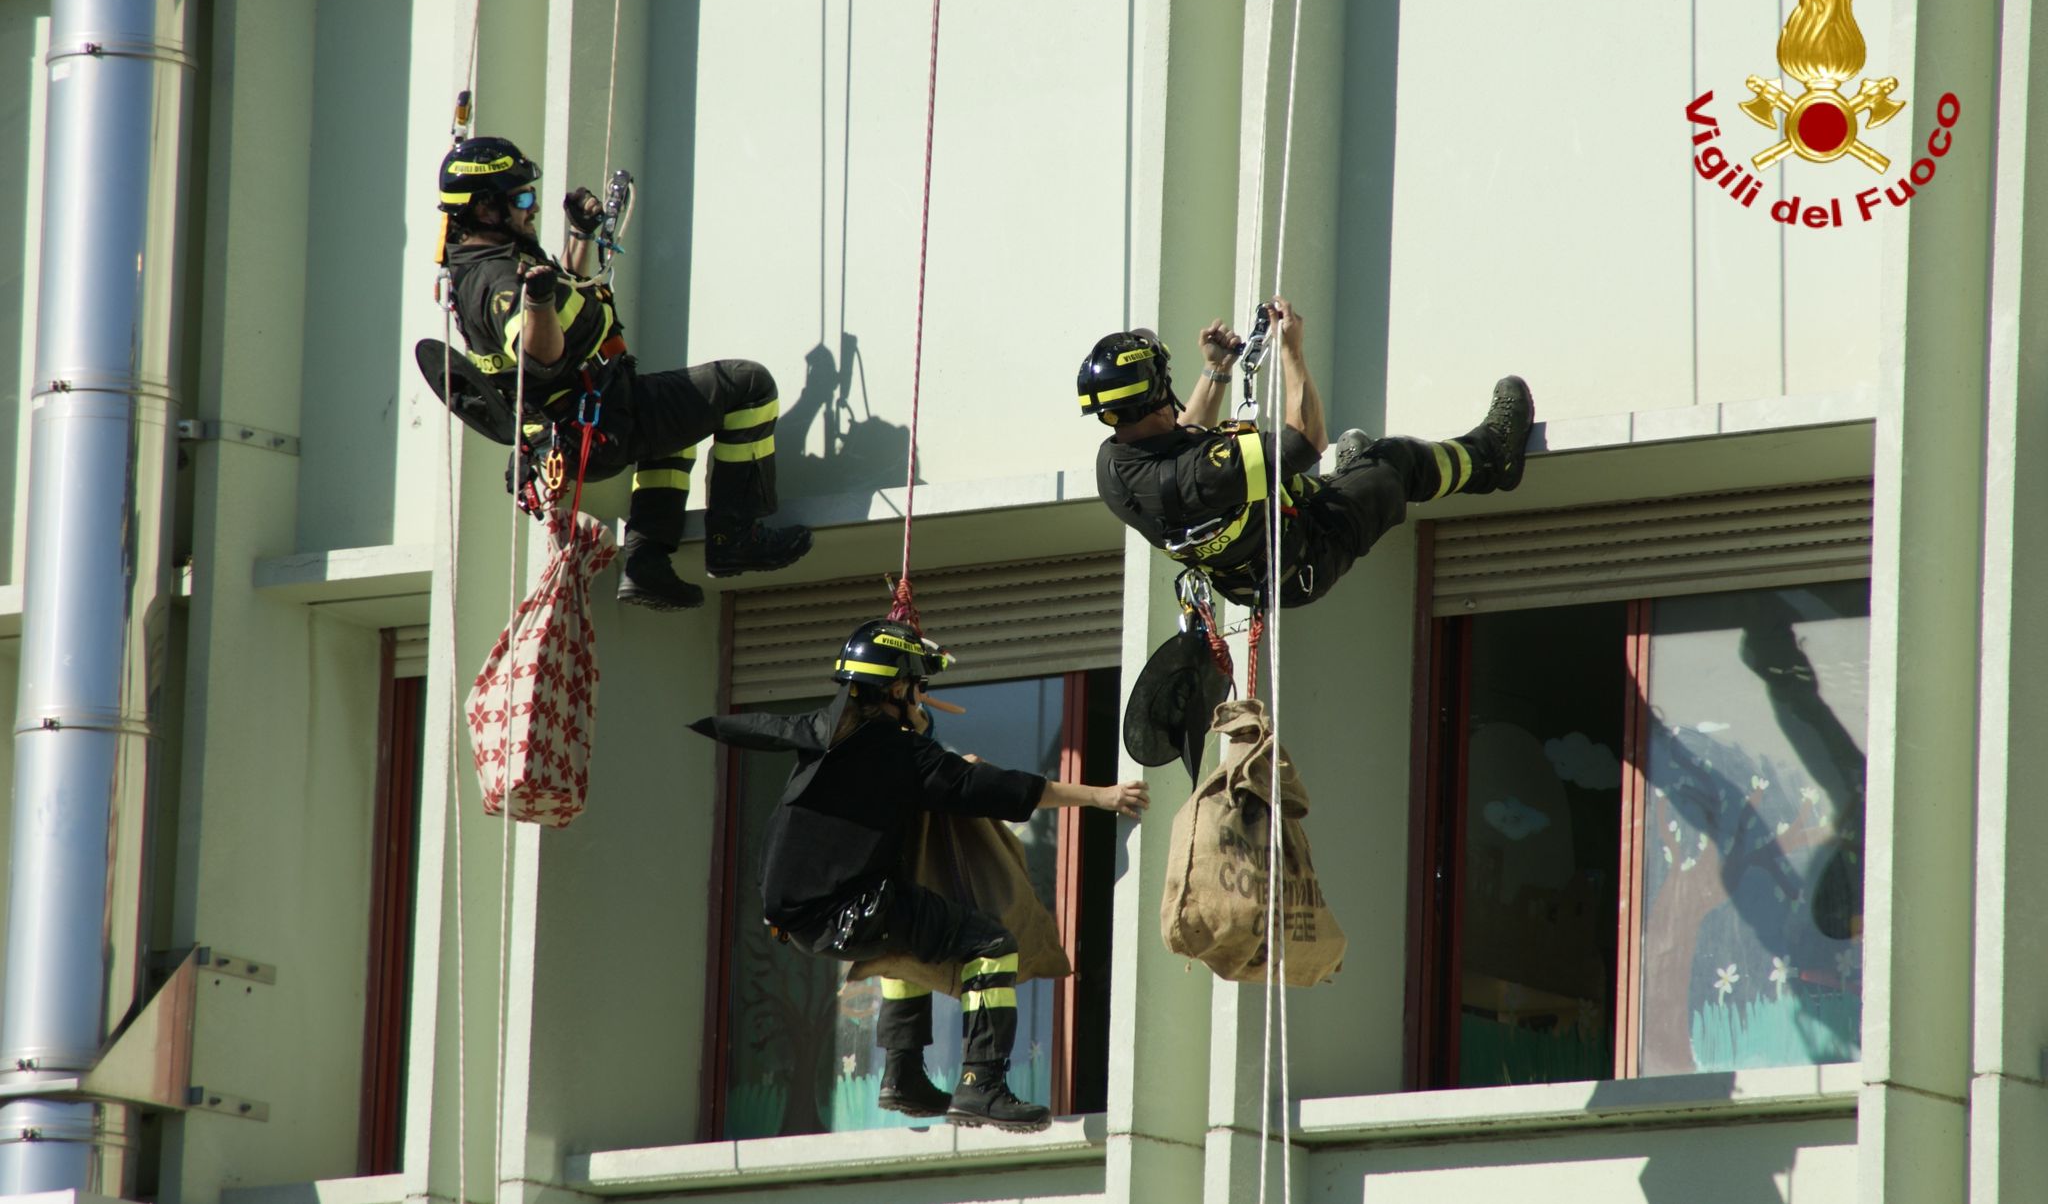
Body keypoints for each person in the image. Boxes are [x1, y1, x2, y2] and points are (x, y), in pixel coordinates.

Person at [688, 618, 1149, 1132]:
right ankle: (983, 1086)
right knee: (991, 945)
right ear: (898, 687)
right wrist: (1100, 796)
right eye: (919, 687)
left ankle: (903, 1075)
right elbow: (994, 787)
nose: (923, 697)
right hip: (850, 909)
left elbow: (769, 732)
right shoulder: (898, 752)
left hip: (802, 917)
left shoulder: (830, 735)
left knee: (907, 938)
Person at [434, 135, 811, 610]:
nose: (531, 209)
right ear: (485, 209)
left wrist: (579, 235)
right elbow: (540, 356)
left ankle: (647, 565)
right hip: (596, 424)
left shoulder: (492, 263)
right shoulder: (496, 281)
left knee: (679, 421)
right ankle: (735, 536)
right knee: (748, 386)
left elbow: (566, 294)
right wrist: (538, 300)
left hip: (590, 420)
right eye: (522, 199)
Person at [1079, 300, 1534, 609]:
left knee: (1343, 474)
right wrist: (1292, 351)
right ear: (1158, 391)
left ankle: (1352, 478)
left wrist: (1217, 368)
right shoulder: (1203, 475)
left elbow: (1183, 433)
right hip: (1309, 552)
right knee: (1394, 462)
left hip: (1266, 557)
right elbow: (1306, 442)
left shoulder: (1116, 464)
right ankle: (1494, 458)